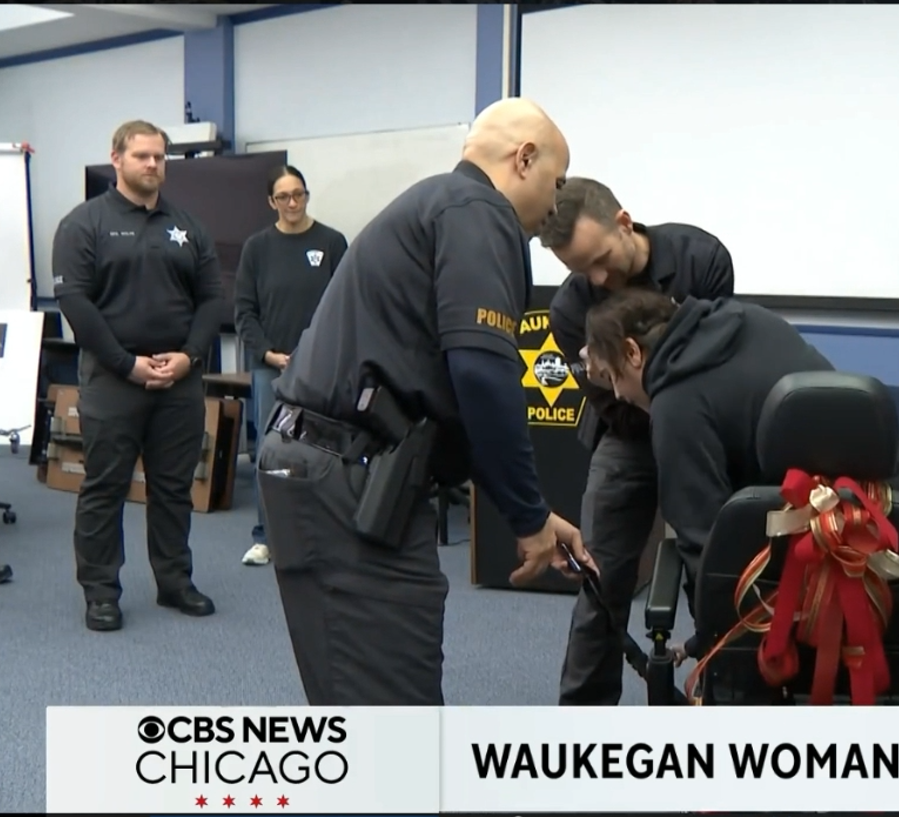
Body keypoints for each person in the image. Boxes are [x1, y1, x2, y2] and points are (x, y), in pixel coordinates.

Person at [260, 98, 594, 706]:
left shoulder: (441, 205)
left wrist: (534, 515)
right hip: (347, 476)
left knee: (364, 685)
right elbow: (484, 377)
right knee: (389, 699)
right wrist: (527, 517)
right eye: (558, 181)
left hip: (339, 466)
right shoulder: (478, 211)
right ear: (524, 159)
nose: (556, 203)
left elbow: (458, 396)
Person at [581, 290, 899, 623]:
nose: (617, 394)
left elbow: (707, 550)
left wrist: (709, 644)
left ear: (633, 352)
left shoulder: (676, 408)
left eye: (612, 377)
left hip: (817, 582)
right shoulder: (749, 319)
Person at [536, 177, 735, 706]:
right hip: (628, 432)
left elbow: (719, 363)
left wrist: (681, 427)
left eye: (602, 259)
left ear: (624, 222)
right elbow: (612, 402)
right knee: (600, 578)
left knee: (718, 569)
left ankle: (724, 696)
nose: (600, 279)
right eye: (583, 270)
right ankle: (583, 722)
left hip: (704, 431)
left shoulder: (701, 259)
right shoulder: (569, 310)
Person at [53, 120, 222, 632]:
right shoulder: (84, 224)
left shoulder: (187, 226)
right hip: (112, 379)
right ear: (117, 159)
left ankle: (174, 582)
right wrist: (126, 364)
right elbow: (75, 303)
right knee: (105, 488)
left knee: (173, 489)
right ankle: (101, 592)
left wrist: (190, 357)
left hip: (179, 380)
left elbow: (211, 298)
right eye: (142, 155)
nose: (153, 164)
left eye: (159, 157)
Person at [234, 166, 349, 566]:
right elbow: (245, 311)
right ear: (272, 202)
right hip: (272, 368)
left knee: (323, 451)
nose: (293, 202)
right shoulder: (257, 248)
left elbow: (345, 304)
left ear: (306, 195)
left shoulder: (332, 242)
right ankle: (267, 537)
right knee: (273, 454)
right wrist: (268, 353)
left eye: (298, 193)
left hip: (322, 367)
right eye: (283, 196)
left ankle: (324, 535)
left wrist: (321, 353)